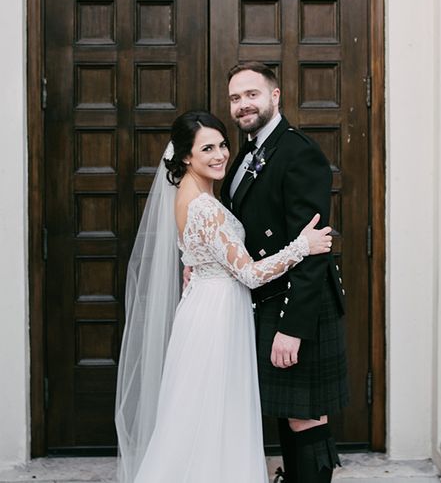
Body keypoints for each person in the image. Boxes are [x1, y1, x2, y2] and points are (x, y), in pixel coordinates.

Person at [115, 111, 333, 483]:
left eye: (222, 145)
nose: (220, 155)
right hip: (216, 316)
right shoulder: (202, 206)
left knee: (204, 412)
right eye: (207, 149)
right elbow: (248, 271)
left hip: (209, 304)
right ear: (186, 156)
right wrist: (302, 246)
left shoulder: (195, 194)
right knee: (215, 411)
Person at [221, 62, 349, 483]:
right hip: (266, 298)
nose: (243, 105)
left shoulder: (298, 152)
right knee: (284, 409)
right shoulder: (247, 152)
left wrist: (294, 327)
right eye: (236, 98)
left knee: (305, 415)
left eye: (252, 94)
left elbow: (313, 250)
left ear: (275, 97)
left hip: (297, 305)